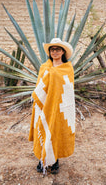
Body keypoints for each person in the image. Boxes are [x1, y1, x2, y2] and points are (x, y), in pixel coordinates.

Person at [28, 38, 76, 175]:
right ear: (49, 52)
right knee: (42, 129)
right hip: (44, 105)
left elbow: (68, 90)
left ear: (63, 52)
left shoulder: (67, 69)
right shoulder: (44, 67)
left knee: (55, 131)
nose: (55, 52)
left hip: (60, 106)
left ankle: (54, 160)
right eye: (52, 50)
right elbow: (39, 87)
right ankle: (42, 159)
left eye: (58, 49)